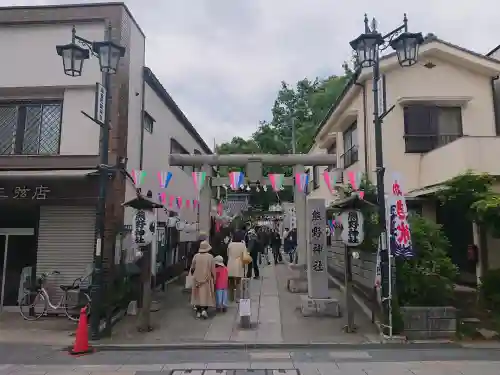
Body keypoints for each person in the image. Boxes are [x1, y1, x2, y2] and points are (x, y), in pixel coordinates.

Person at [189, 240, 216, 319]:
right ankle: (204, 309)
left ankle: (198, 311)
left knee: (197, 295)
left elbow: (192, 267)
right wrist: (214, 278)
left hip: (197, 279)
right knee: (206, 295)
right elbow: (213, 269)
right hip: (206, 279)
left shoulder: (196, 256)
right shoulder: (210, 257)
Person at [227, 230, 246, 302]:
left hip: (231, 264)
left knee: (231, 282)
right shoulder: (242, 245)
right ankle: (238, 298)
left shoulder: (230, 245)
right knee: (238, 282)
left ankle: (231, 297)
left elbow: (227, 254)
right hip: (239, 264)